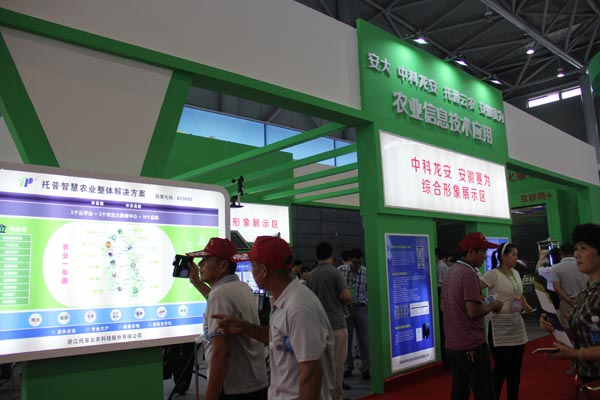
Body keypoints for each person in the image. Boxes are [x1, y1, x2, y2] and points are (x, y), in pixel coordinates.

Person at [214, 236, 335, 400]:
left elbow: (312, 372)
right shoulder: (284, 300)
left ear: (263, 271)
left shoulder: (299, 307)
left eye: (252, 266)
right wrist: (244, 327)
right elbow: (283, 339)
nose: (251, 272)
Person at [188, 237, 268, 400]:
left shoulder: (220, 295)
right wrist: (196, 282)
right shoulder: (240, 287)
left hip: (234, 388)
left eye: (206, 260)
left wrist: (210, 396)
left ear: (223, 265)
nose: (200, 265)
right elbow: (216, 297)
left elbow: (221, 353)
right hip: (254, 382)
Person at [442, 232, 503, 400]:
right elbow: (473, 312)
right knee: (484, 393)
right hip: (471, 346)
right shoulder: (468, 274)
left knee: (459, 392)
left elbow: (445, 305)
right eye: (482, 251)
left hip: (453, 345)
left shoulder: (451, 271)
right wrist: (492, 306)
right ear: (470, 252)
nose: (485, 256)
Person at [539, 223, 600, 384]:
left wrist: (575, 354)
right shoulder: (586, 292)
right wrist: (552, 324)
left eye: (583, 248)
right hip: (587, 377)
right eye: (576, 249)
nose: (577, 254)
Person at [479, 242, 534, 400]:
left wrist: (525, 304)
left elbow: (519, 293)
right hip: (499, 327)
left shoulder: (515, 273)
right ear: (503, 256)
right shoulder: (493, 274)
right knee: (501, 369)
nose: (516, 258)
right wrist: (489, 302)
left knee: (515, 371)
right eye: (513, 255)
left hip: (516, 325)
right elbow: (475, 288)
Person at [307, 242, 352, 400]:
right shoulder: (335, 273)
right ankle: (336, 396)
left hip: (317, 326)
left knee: (322, 365)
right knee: (337, 364)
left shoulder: (311, 275)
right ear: (331, 255)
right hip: (336, 324)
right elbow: (346, 296)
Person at [339, 247, 370, 380]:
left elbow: (369, 290)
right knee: (347, 339)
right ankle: (348, 367)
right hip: (345, 308)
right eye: (355, 262)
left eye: (359, 262)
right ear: (350, 260)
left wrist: (365, 301)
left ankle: (366, 368)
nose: (357, 265)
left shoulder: (366, 272)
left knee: (364, 340)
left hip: (360, 307)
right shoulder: (341, 271)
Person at [548, 243, 587, 329]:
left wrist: (571, 302)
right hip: (586, 301)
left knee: (569, 328)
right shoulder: (584, 265)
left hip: (567, 303)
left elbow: (557, 289)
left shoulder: (556, 268)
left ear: (561, 253)